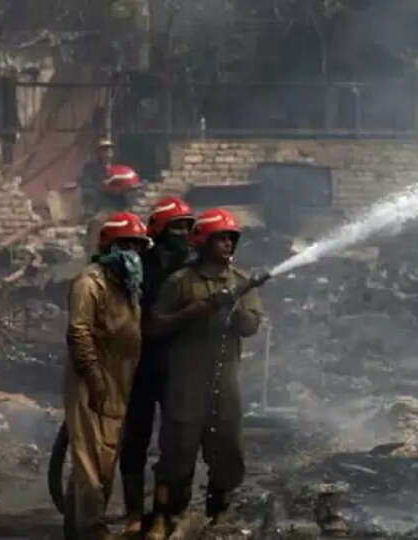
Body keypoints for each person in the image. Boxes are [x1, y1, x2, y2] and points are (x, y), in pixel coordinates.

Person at [147, 209, 264, 538]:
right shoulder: (180, 282)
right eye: (220, 238)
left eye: (231, 238)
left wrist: (235, 307)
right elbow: (155, 326)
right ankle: (168, 516)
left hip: (225, 383)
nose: (227, 244)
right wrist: (199, 309)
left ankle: (218, 514)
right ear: (203, 242)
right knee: (178, 452)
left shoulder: (241, 281)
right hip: (186, 382)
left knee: (228, 451)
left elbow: (251, 327)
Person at [64, 211, 152, 539]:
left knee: (105, 456)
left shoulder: (128, 286)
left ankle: (80, 525)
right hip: (91, 379)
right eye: (125, 245)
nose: (132, 252)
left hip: (119, 380)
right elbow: (79, 331)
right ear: (109, 247)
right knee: (90, 460)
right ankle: (91, 530)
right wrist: (93, 375)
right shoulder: (90, 283)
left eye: (137, 246)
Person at [119, 197, 196, 533]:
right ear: (160, 230)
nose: (183, 234)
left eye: (187, 228)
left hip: (177, 365)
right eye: (177, 227)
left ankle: (165, 511)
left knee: (174, 440)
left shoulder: (191, 267)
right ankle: (134, 513)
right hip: (141, 362)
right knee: (135, 436)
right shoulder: (139, 265)